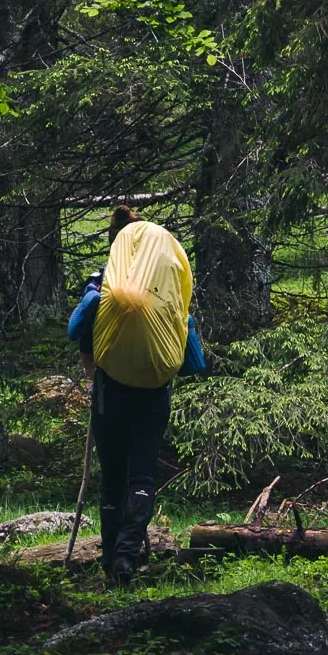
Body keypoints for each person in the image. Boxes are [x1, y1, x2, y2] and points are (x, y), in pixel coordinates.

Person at [67, 205, 205, 583]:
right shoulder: (166, 291)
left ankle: (110, 561)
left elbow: (75, 330)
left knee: (112, 478)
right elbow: (193, 361)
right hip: (154, 394)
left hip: (109, 391)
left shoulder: (102, 283)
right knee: (142, 475)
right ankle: (128, 557)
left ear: (118, 245)